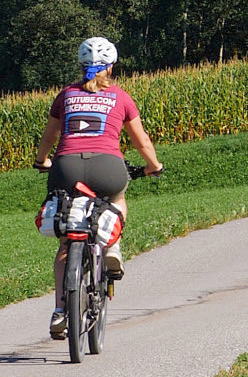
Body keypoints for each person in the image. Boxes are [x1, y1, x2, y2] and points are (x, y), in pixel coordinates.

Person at [33, 36, 163, 341]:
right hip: (107, 167)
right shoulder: (120, 97)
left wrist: (42, 161)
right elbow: (140, 141)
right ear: (112, 66)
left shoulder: (66, 95)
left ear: (82, 66)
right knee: (117, 197)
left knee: (66, 241)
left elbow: (49, 138)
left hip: (66, 168)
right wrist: (154, 166)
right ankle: (112, 246)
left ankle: (60, 312)